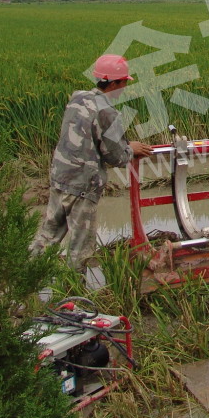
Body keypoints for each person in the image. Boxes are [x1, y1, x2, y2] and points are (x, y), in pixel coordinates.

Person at [30, 54, 153, 273]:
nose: (124, 87)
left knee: (47, 235)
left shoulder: (78, 97)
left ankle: (22, 282)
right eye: (124, 82)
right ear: (114, 83)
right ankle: (75, 296)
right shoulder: (109, 113)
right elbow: (116, 157)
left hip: (61, 176)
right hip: (83, 186)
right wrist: (130, 149)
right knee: (81, 248)